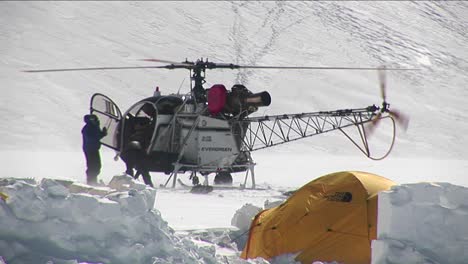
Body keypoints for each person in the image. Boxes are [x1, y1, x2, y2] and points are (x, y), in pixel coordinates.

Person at [82, 114, 107, 185]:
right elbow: (92, 137)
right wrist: (101, 134)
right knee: (93, 166)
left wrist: (102, 134)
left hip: (93, 148)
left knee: (96, 166)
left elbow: (96, 136)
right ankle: (91, 182)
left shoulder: (94, 127)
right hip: (90, 149)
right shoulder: (89, 128)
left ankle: (93, 181)